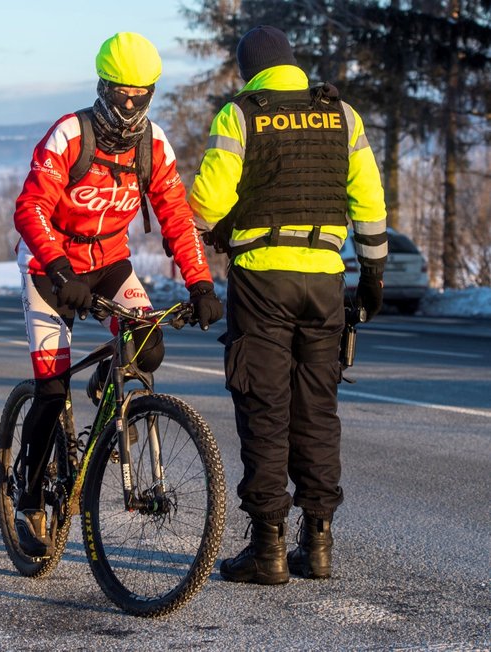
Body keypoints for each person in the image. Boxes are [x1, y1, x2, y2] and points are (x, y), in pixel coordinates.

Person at [11, 32, 224, 557]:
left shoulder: (154, 145)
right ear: (102, 86)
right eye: (120, 94)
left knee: (147, 346)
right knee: (51, 389)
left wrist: (200, 283)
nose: (129, 106)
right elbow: (30, 209)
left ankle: (108, 390)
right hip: (50, 267)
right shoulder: (69, 134)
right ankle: (30, 500)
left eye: (141, 96)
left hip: (108, 262)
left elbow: (176, 216)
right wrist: (62, 272)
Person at [189, 26, 388, 584]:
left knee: (265, 410)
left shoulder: (242, 114)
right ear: (292, 63)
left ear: (250, 69)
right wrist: (372, 276)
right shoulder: (341, 114)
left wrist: (218, 230)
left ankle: (268, 549)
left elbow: (205, 205)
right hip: (326, 280)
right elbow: (368, 201)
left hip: (261, 284)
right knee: (318, 411)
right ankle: (318, 543)